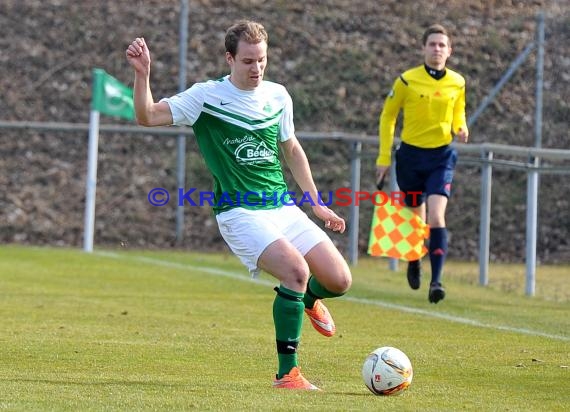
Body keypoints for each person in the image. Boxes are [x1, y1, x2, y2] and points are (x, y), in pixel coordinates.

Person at [126, 20, 352, 390]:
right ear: (230, 58)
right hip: (239, 212)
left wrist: (317, 205)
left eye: (261, 60)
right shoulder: (206, 96)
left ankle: (309, 301)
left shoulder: (278, 95)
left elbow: (292, 149)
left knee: (339, 280)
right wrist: (143, 74)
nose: (256, 68)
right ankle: (287, 374)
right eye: (248, 61)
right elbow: (146, 116)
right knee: (295, 270)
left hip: (281, 207)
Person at [375, 24, 469, 304]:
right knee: (415, 219)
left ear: (449, 51)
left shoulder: (458, 82)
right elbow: (388, 117)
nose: (437, 49)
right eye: (432, 44)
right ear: (423, 48)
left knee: (437, 216)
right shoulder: (406, 81)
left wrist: (460, 127)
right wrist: (383, 157)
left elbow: (458, 112)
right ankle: (414, 257)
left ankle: (436, 281)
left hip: (441, 157)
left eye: (442, 45)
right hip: (410, 158)